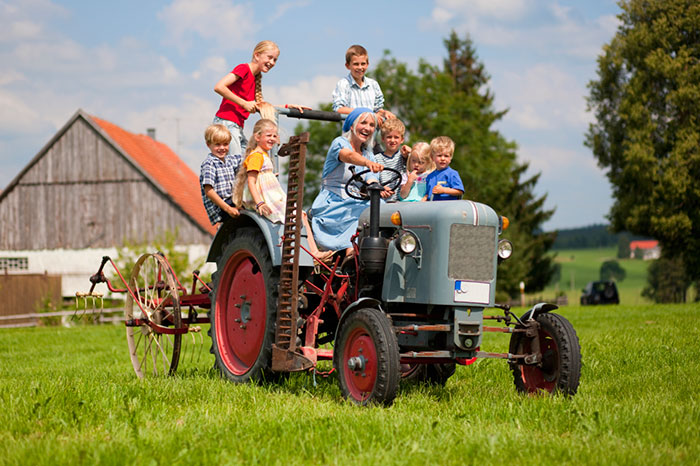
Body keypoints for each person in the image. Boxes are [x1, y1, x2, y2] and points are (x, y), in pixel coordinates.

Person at [233, 119, 331, 260]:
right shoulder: (256, 156)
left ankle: (311, 251)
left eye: (274, 135)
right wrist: (260, 203)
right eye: (268, 135)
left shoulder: (263, 156)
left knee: (300, 214)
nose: (272, 139)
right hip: (265, 198)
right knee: (299, 215)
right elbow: (252, 181)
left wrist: (270, 176)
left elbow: (262, 175)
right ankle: (313, 252)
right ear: (257, 137)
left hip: (271, 194)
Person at [310, 107, 385, 254]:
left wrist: (376, 187)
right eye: (363, 123)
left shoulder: (368, 154)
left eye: (371, 125)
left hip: (357, 201)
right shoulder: (339, 143)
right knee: (360, 217)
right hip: (334, 203)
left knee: (384, 209)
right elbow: (348, 156)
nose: (367, 128)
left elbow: (371, 178)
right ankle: (351, 253)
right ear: (352, 125)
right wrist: (366, 163)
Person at [213, 40, 304, 159]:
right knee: (236, 163)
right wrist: (244, 103)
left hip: (237, 126)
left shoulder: (255, 79)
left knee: (249, 160)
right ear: (257, 55)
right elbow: (219, 87)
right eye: (269, 57)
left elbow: (262, 106)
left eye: (275, 60)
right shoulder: (244, 69)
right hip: (227, 122)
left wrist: (287, 107)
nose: (272, 62)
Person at [332, 45, 395, 124]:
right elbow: (339, 109)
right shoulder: (343, 84)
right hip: (351, 134)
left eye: (363, 64)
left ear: (367, 64)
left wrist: (384, 113)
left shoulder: (373, 85)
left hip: (371, 134)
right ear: (348, 66)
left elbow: (378, 110)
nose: (360, 67)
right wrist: (366, 113)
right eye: (356, 64)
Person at [199, 124, 241, 226]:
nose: (222, 148)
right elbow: (209, 191)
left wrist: (264, 173)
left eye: (225, 144)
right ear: (208, 145)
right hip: (221, 207)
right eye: (217, 144)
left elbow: (249, 160)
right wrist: (228, 209)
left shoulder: (230, 160)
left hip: (230, 201)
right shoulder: (209, 164)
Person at [374, 118, 408, 202]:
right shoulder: (376, 159)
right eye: (389, 137)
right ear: (383, 139)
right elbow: (373, 178)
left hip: (402, 200)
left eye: (396, 137)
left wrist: (409, 153)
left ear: (402, 140)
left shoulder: (404, 157)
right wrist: (380, 189)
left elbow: (418, 160)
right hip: (383, 201)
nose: (392, 140)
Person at [423, 136, 465, 201]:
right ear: (432, 157)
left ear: (450, 158)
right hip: (432, 208)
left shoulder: (452, 174)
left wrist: (444, 190)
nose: (443, 159)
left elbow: (459, 191)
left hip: (448, 208)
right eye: (439, 155)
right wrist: (423, 200)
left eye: (446, 156)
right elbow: (428, 194)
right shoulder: (430, 177)